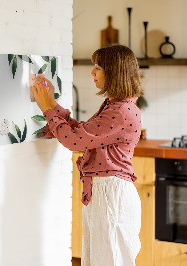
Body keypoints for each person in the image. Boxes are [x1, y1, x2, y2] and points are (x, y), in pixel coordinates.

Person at [31, 44, 143, 266]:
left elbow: (74, 141)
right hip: (106, 193)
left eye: (98, 67)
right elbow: (82, 133)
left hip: (111, 195)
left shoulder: (120, 111)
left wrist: (46, 108)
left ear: (114, 72)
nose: (92, 72)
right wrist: (52, 103)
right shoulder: (116, 106)